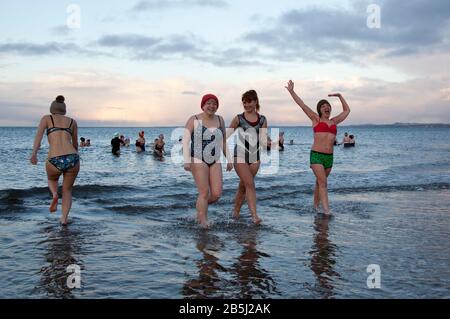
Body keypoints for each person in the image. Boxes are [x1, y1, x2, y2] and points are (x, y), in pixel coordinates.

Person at [286, 80, 350, 215]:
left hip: (329, 158)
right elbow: (302, 105)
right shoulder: (316, 119)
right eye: (323, 106)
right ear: (319, 110)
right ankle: (327, 211)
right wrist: (292, 91)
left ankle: (315, 207)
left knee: (319, 183)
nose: (327, 107)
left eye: (328, 106)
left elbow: (347, 110)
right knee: (323, 183)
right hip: (316, 156)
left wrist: (339, 96)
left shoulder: (334, 121)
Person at [183, 94, 233, 228]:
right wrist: (186, 160)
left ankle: (200, 208)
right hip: (198, 158)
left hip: (214, 158)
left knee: (216, 194)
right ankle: (203, 221)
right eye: (208, 103)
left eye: (214, 104)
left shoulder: (220, 120)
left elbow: (222, 141)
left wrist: (229, 159)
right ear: (203, 105)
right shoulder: (194, 119)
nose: (212, 106)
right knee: (204, 192)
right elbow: (186, 140)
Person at [29, 95, 80, 226]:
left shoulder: (47, 118)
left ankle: (54, 195)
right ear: (64, 109)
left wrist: (34, 154)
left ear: (52, 108)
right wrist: (74, 158)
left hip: (54, 159)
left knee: (52, 179)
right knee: (67, 190)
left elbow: (38, 139)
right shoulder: (72, 122)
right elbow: (75, 145)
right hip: (72, 158)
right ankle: (64, 219)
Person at [227, 90, 269, 225]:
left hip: (255, 156)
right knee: (250, 184)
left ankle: (235, 212)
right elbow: (225, 136)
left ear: (255, 101)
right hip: (239, 155)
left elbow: (262, 141)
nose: (246, 104)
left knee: (243, 186)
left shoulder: (262, 119)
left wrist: (271, 143)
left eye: (249, 101)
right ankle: (255, 216)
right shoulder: (238, 118)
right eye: (244, 102)